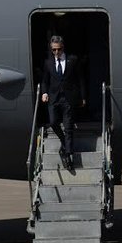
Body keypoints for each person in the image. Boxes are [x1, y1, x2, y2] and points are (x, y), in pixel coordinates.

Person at [39, 35, 86, 171]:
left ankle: (68, 155)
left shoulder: (73, 60)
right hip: (54, 98)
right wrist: (44, 93)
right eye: (54, 50)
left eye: (58, 50)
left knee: (68, 127)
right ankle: (64, 142)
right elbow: (45, 80)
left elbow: (80, 79)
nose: (56, 53)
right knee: (53, 122)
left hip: (68, 98)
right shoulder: (48, 63)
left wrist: (83, 97)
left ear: (63, 48)